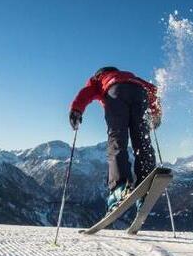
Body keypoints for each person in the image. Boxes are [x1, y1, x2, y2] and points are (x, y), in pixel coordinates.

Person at [69, 66, 161, 212]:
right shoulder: (131, 76)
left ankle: (119, 187)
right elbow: (153, 91)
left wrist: (76, 109)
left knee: (117, 139)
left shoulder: (99, 79)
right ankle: (146, 181)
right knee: (142, 139)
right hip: (140, 93)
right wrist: (156, 114)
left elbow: (86, 92)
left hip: (116, 92)